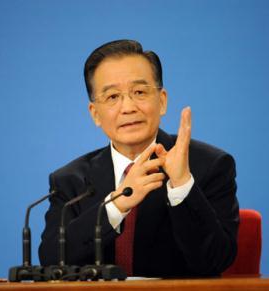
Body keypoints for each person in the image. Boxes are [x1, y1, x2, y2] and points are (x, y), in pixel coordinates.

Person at [39, 39, 239, 277]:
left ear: (162, 101)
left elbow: (215, 261)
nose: (128, 107)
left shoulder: (210, 165)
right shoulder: (70, 181)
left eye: (139, 92)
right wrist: (116, 206)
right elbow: (52, 261)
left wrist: (182, 185)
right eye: (113, 97)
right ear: (95, 114)